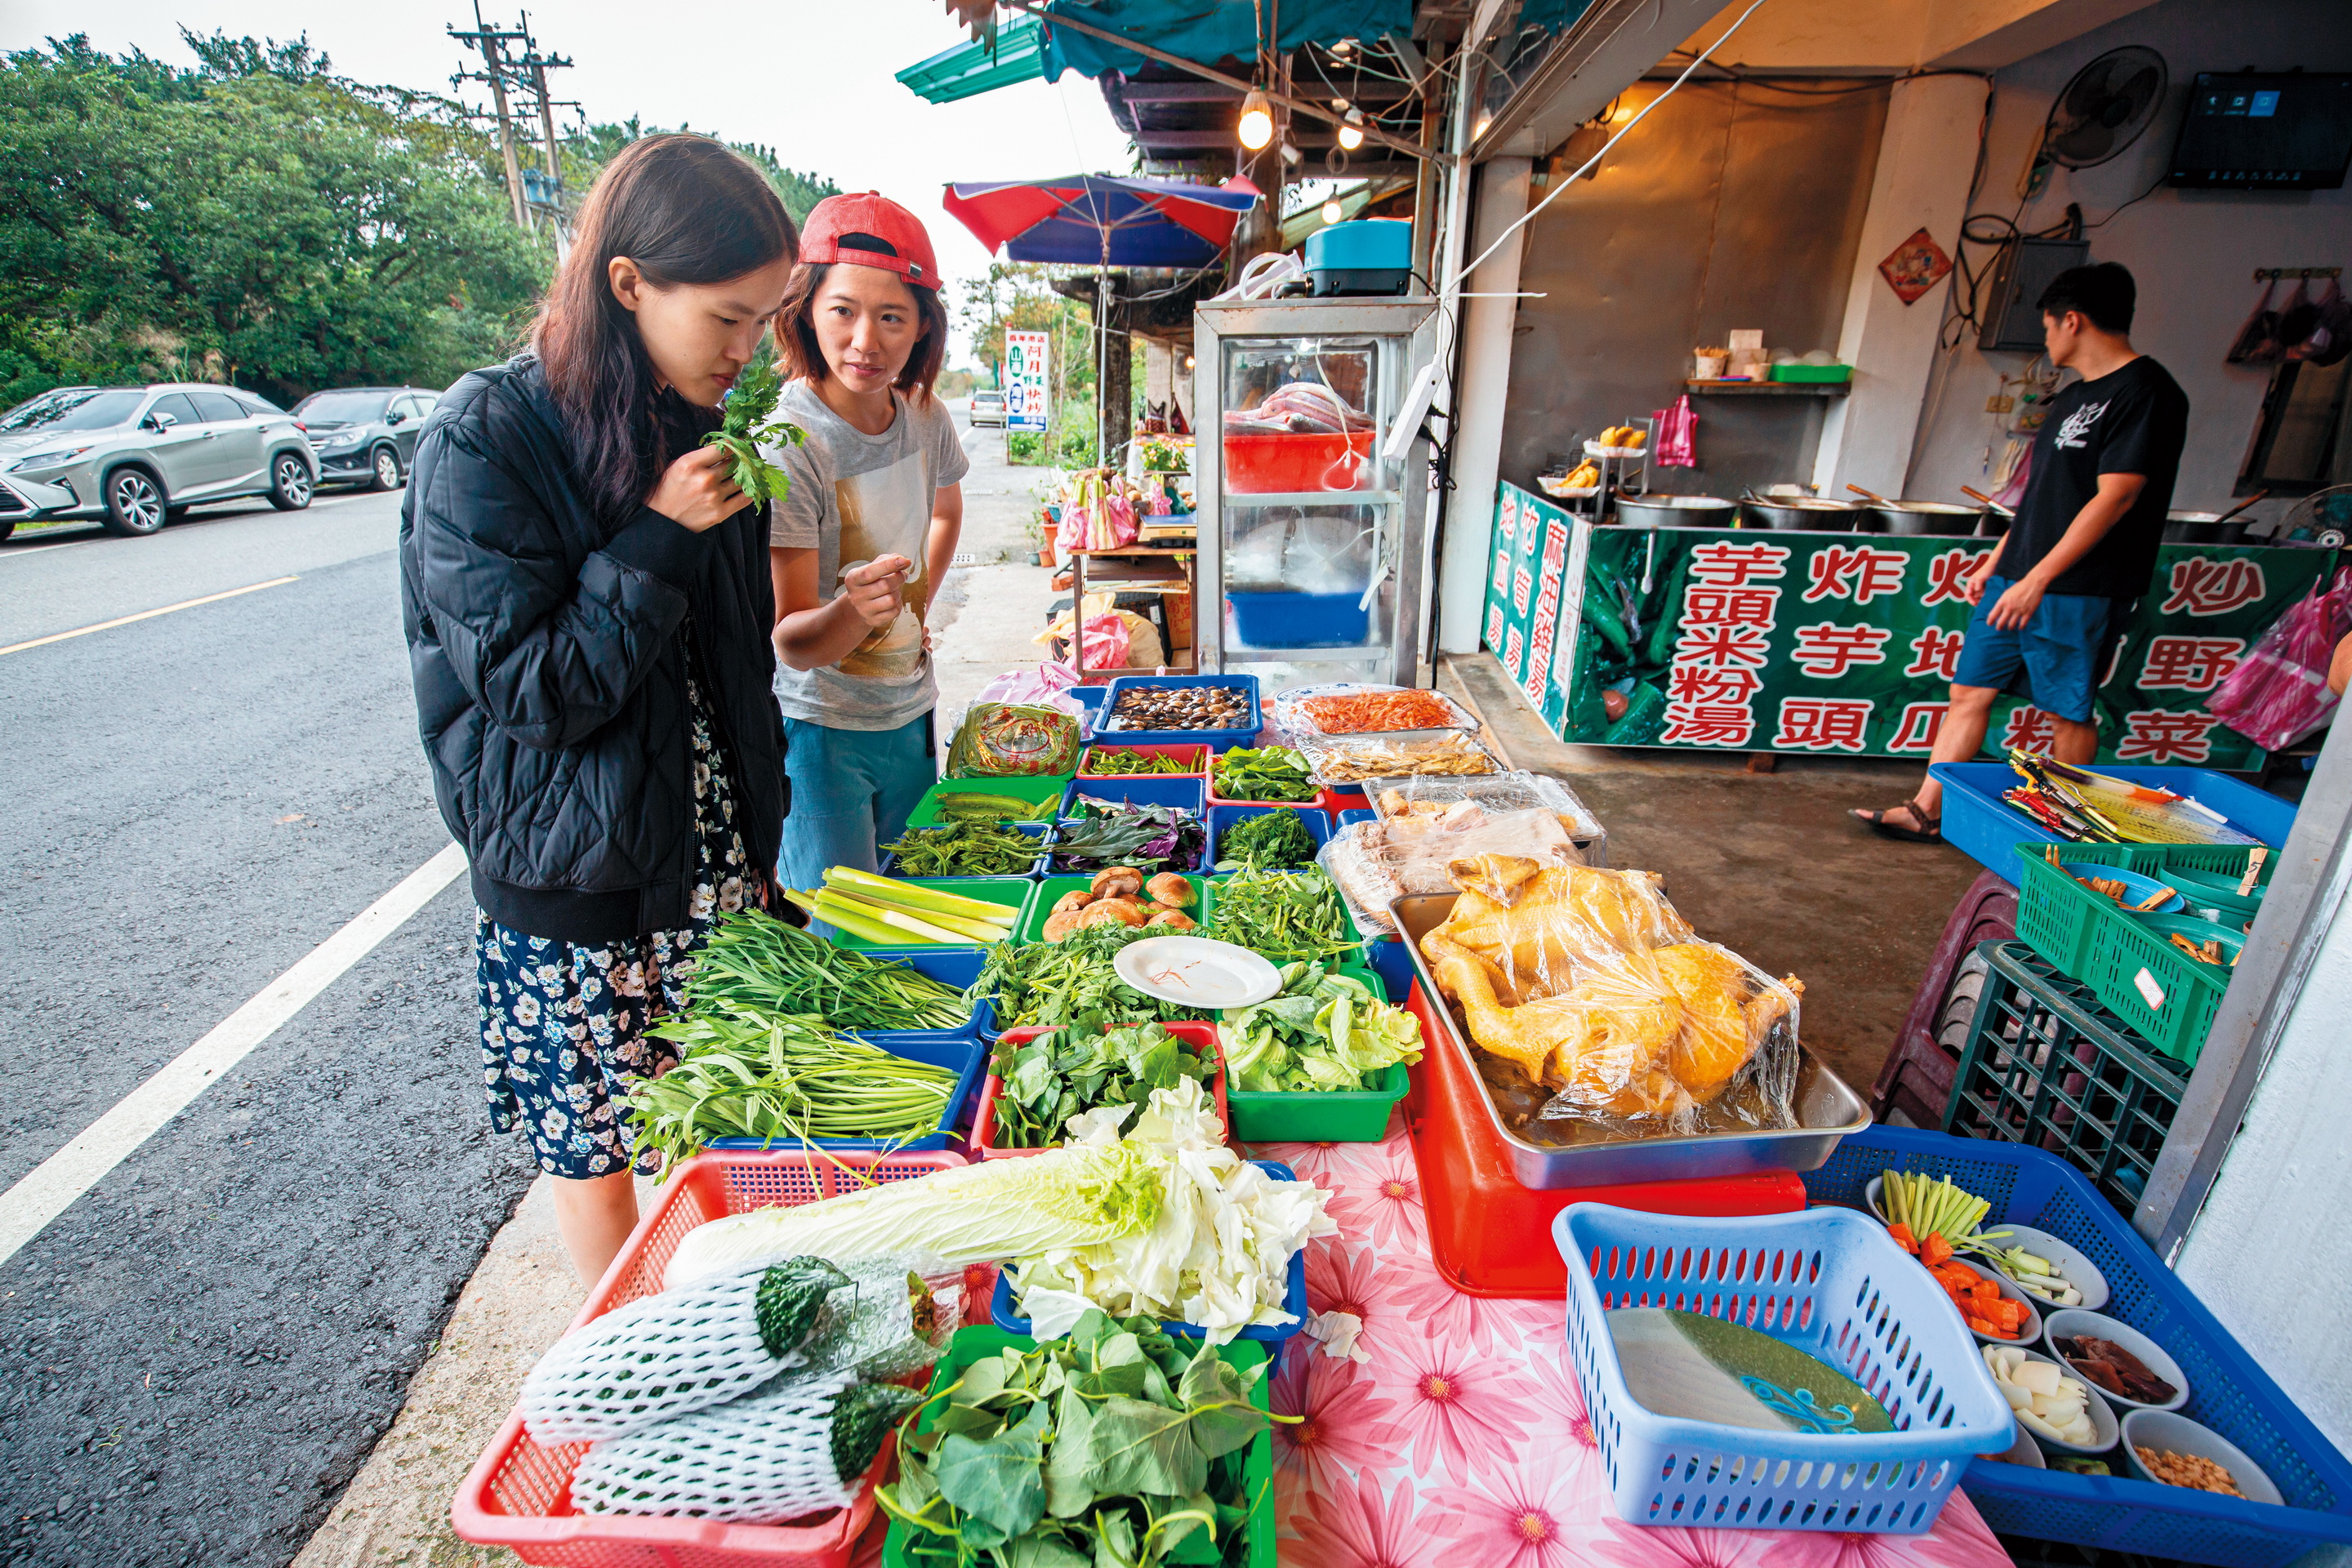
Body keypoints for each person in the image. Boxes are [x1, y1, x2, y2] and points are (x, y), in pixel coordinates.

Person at [399, 136, 796, 1285]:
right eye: (726, 317)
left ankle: (718, 1350)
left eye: (762, 319)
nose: (747, 349)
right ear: (628, 284)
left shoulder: (698, 430)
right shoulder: (488, 437)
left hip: (707, 862)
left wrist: (760, 856)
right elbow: (533, 695)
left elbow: (732, 671)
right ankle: (628, 1381)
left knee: (720, 1139)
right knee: (603, 1157)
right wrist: (660, 536)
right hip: (579, 884)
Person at [1856, 262, 2188, 842]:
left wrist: (2038, 578)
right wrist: (1999, 561)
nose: (2046, 338)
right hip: (2019, 575)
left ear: (2073, 320)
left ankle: (2073, 831)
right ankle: (1927, 809)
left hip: (2081, 587)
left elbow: (2117, 497)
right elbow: (2042, 498)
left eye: (2048, 326)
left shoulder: (2146, 394)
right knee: (1969, 692)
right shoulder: (2070, 398)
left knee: (2066, 710)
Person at [766, 193, 967, 894]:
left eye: (892, 317)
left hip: (910, 711)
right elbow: (791, 640)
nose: (865, 341)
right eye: (843, 310)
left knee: (919, 901)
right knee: (842, 929)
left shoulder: (924, 414)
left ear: (922, 328)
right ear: (806, 309)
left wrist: (916, 602)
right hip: (821, 729)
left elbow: (946, 510)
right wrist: (858, 613)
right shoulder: (788, 443)